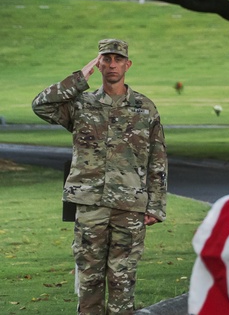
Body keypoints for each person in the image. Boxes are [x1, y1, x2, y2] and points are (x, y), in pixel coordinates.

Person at [31, 39, 167, 315]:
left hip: (129, 205)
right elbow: (41, 105)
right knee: (89, 278)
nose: (112, 64)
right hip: (90, 204)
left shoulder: (145, 108)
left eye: (118, 59)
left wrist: (156, 206)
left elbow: (158, 159)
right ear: (99, 64)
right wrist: (78, 79)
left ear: (128, 65)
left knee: (122, 279)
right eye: (107, 59)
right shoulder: (82, 105)